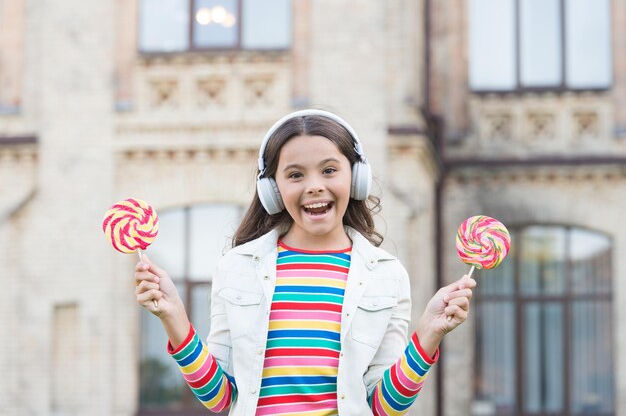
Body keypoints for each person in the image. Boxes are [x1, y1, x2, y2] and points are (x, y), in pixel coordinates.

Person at [134, 109, 477, 416]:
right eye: (295, 175)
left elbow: (383, 406)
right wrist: (174, 317)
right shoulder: (236, 268)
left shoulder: (387, 276)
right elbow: (220, 398)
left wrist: (428, 335)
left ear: (355, 177)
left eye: (329, 170)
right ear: (272, 189)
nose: (314, 186)